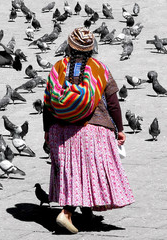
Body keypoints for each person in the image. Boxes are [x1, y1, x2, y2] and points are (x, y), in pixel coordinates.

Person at [43, 27, 134, 234]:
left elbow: (47, 102)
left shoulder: (58, 67)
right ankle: (66, 213)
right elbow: (113, 103)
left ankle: (86, 213)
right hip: (92, 131)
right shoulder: (100, 68)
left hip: (61, 129)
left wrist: (47, 130)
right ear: (91, 48)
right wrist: (119, 129)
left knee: (73, 171)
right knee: (89, 171)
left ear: (69, 46)